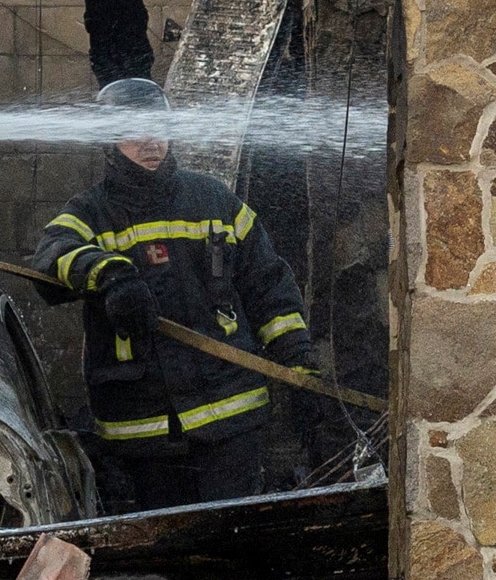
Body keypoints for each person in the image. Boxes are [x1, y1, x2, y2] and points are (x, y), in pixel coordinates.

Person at [40, 74, 316, 511]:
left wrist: (296, 353)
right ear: (108, 141)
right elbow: (53, 255)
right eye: (135, 132)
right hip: (145, 431)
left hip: (231, 414)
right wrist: (111, 275)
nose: (151, 142)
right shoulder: (89, 212)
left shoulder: (213, 201)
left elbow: (267, 284)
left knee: (233, 536)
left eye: (161, 129)